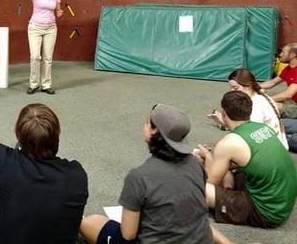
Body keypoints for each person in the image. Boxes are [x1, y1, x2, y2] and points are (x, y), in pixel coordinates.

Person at [80, 104, 231, 244]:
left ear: (154, 131)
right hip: (198, 238)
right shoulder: (195, 164)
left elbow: (128, 234)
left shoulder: (139, 176)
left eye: (147, 122)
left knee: (91, 222)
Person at [0, 103, 88, 244]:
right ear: (57, 135)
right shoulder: (77, 174)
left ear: (18, 135)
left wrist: (11, 152)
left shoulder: (6, 164)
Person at [196, 91, 297, 228]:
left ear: (223, 112)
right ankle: (229, 190)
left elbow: (210, 184)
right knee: (230, 167)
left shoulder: (228, 143)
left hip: (267, 213)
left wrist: (208, 157)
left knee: (196, 189)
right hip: (281, 203)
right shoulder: (262, 127)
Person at [208, 68, 288, 149]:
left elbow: (251, 135)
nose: (232, 91)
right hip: (277, 142)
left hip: (271, 148)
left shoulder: (256, 106)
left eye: (235, 88)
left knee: (227, 148)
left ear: (249, 86)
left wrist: (225, 123)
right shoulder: (261, 97)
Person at [17, 0, 64, 95]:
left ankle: (46, 85)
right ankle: (33, 84)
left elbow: (58, 10)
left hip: (51, 29)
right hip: (35, 28)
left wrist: (59, 12)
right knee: (35, 57)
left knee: (47, 58)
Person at [259, 43, 297, 117]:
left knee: (270, 106)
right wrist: (251, 86)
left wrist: (267, 100)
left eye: (283, 52)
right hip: (292, 101)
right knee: (262, 94)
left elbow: (288, 94)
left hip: (294, 104)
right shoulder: (289, 68)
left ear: (292, 55)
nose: (280, 55)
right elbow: (272, 83)